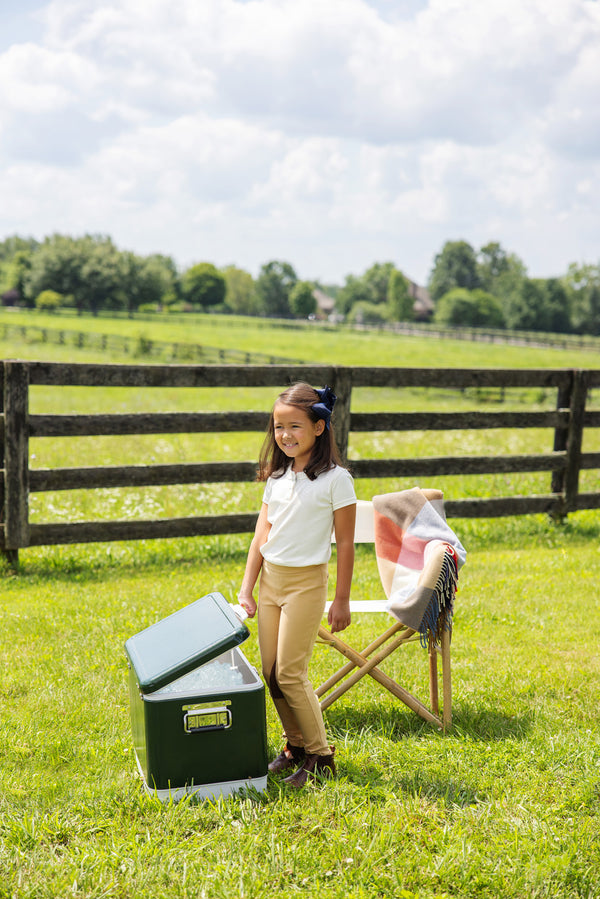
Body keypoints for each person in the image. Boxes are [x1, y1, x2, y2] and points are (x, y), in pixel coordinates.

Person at [238, 382, 356, 788]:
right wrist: (246, 589)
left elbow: (344, 546)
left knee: (291, 672)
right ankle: (297, 747)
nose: (284, 435)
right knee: (270, 672)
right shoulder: (278, 477)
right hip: (271, 581)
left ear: (319, 427)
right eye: (278, 427)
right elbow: (260, 537)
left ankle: (322, 757)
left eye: (295, 426)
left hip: (307, 584)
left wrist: (341, 600)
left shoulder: (337, 480)